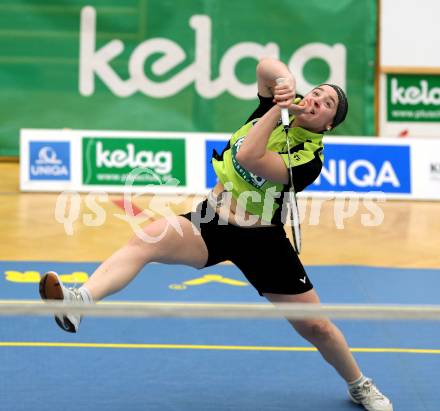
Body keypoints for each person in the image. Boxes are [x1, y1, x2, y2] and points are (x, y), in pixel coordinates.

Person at [39, 57, 393, 411]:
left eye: (326, 104)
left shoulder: (309, 159)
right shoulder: (278, 102)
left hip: (261, 241)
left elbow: (253, 157)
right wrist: (284, 81)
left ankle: (359, 384)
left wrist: (277, 108)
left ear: (328, 125)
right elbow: (264, 66)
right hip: (211, 220)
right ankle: (79, 302)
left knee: (316, 327)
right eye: (316, 93)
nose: (315, 100)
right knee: (146, 239)